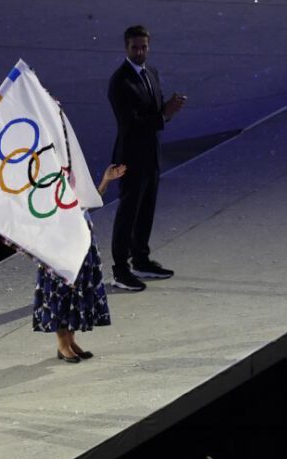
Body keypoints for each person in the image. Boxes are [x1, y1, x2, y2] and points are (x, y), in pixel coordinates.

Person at [107, 25, 186, 291]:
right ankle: (120, 270)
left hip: (151, 153)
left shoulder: (151, 72)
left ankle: (141, 260)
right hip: (129, 157)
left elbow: (156, 111)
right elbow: (129, 123)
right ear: (126, 48)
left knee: (146, 208)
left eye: (144, 47)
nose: (140, 52)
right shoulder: (120, 81)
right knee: (128, 212)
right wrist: (163, 115)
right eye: (135, 47)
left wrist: (169, 110)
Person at [33, 166, 123, 362]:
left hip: (82, 243)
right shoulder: (45, 183)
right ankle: (62, 344)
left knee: (77, 294)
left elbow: (87, 204)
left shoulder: (72, 178)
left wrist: (106, 180)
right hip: (58, 247)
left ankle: (71, 341)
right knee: (59, 295)